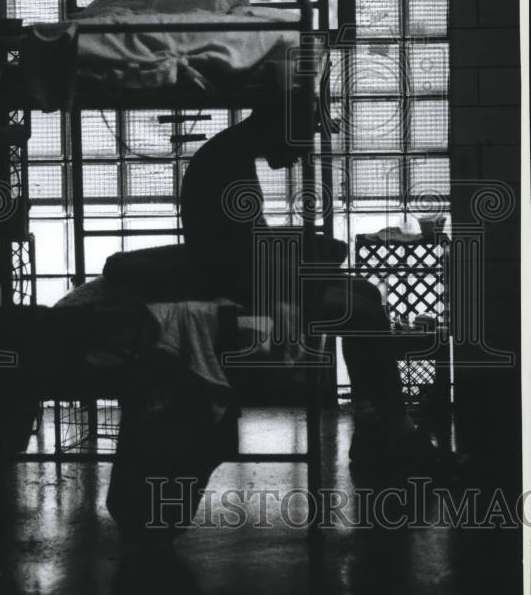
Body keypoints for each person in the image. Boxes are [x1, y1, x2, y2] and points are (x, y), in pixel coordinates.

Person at [181, 90, 426, 469]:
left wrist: (304, 252)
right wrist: (306, 267)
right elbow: (242, 256)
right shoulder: (228, 162)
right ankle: (399, 429)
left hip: (242, 274)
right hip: (237, 287)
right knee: (366, 315)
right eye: (303, 137)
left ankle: (370, 419)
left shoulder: (231, 154)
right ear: (280, 126)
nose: (302, 152)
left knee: (365, 293)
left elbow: (247, 241)